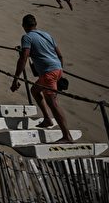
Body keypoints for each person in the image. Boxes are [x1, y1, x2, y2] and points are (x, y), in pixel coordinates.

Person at [10, 14, 73, 143]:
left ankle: (67, 136)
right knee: (35, 90)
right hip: (56, 69)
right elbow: (60, 55)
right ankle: (47, 119)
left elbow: (24, 58)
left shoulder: (27, 37)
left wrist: (16, 78)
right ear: (35, 24)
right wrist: (60, 72)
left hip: (48, 73)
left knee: (53, 103)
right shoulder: (46, 35)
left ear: (24, 26)